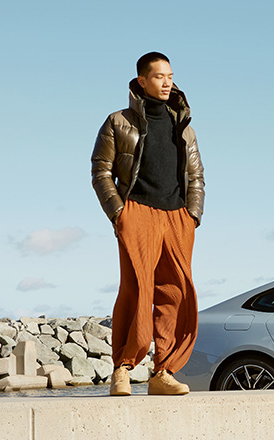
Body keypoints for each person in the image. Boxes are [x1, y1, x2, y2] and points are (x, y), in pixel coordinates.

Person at [91, 52, 205, 396]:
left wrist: (193, 215)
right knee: (137, 289)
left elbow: (195, 175)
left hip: (177, 217)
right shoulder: (118, 121)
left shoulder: (183, 126)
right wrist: (119, 213)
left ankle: (163, 372)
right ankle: (123, 369)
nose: (167, 82)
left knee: (176, 292)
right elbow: (101, 171)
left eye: (170, 76)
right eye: (159, 76)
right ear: (142, 81)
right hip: (137, 212)